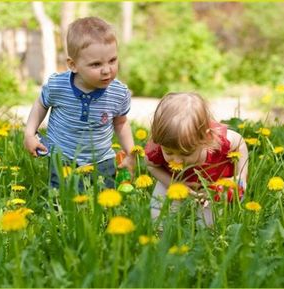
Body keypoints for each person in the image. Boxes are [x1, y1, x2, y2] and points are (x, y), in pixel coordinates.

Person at [24, 17, 135, 188]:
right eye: (96, 64)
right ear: (73, 65)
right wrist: (30, 134)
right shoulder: (58, 85)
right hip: (63, 156)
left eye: (112, 60)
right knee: (61, 199)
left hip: (102, 158)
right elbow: (41, 104)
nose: (107, 70)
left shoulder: (118, 92)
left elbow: (121, 123)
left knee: (105, 201)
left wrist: (130, 152)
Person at [144, 92, 248, 226]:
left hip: (214, 184)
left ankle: (203, 237)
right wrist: (173, 183)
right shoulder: (161, 144)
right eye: (169, 152)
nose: (176, 160)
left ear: (205, 138)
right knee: (158, 214)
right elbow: (151, 165)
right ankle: (161, 235)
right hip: (176, 179)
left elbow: (240, 143)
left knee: (207, 223)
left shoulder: (219, 141)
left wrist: (241, 175)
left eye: (186, 154)